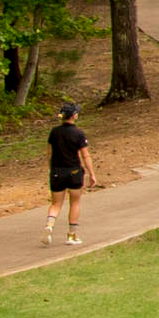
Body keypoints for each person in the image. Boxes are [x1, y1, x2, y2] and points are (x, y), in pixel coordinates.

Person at [44, 102, 95, 247]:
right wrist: (91, 173)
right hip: (73, 172)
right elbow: (85, 156)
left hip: (57, 172)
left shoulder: (54, 132)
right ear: (73, 116)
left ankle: (49, 225)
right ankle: (71, 235)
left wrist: (52, 168)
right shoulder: (78, 133)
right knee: (75, 202)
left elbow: (49, 153)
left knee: (56, 203)